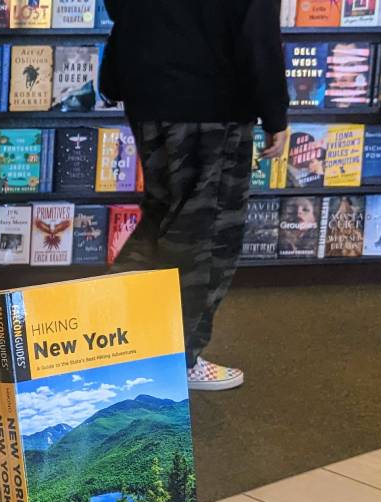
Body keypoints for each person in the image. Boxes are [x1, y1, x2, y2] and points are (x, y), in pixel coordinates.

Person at [101, 0, 289, 391]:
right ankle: (178, 360)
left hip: (145, 87)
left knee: (163, 216)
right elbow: (258, 29)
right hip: (211, 98)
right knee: (207, 235)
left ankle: (107, 338)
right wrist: (275, 114)